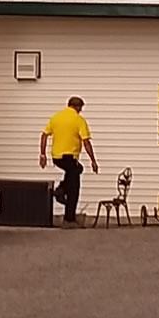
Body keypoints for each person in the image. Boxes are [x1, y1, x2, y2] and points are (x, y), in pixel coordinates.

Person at [39, 96, 99, 224]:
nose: (81, 111)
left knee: (75, 173)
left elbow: (44, 135)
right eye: (80, 108)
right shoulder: (78, 120)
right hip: (69, 157)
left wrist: (42, 154)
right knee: (74, 187)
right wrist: (93, 160)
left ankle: (62, 190)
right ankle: (69, 217)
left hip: (57, 157)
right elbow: (86, 142)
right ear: (77, 107)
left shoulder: (56, 117)